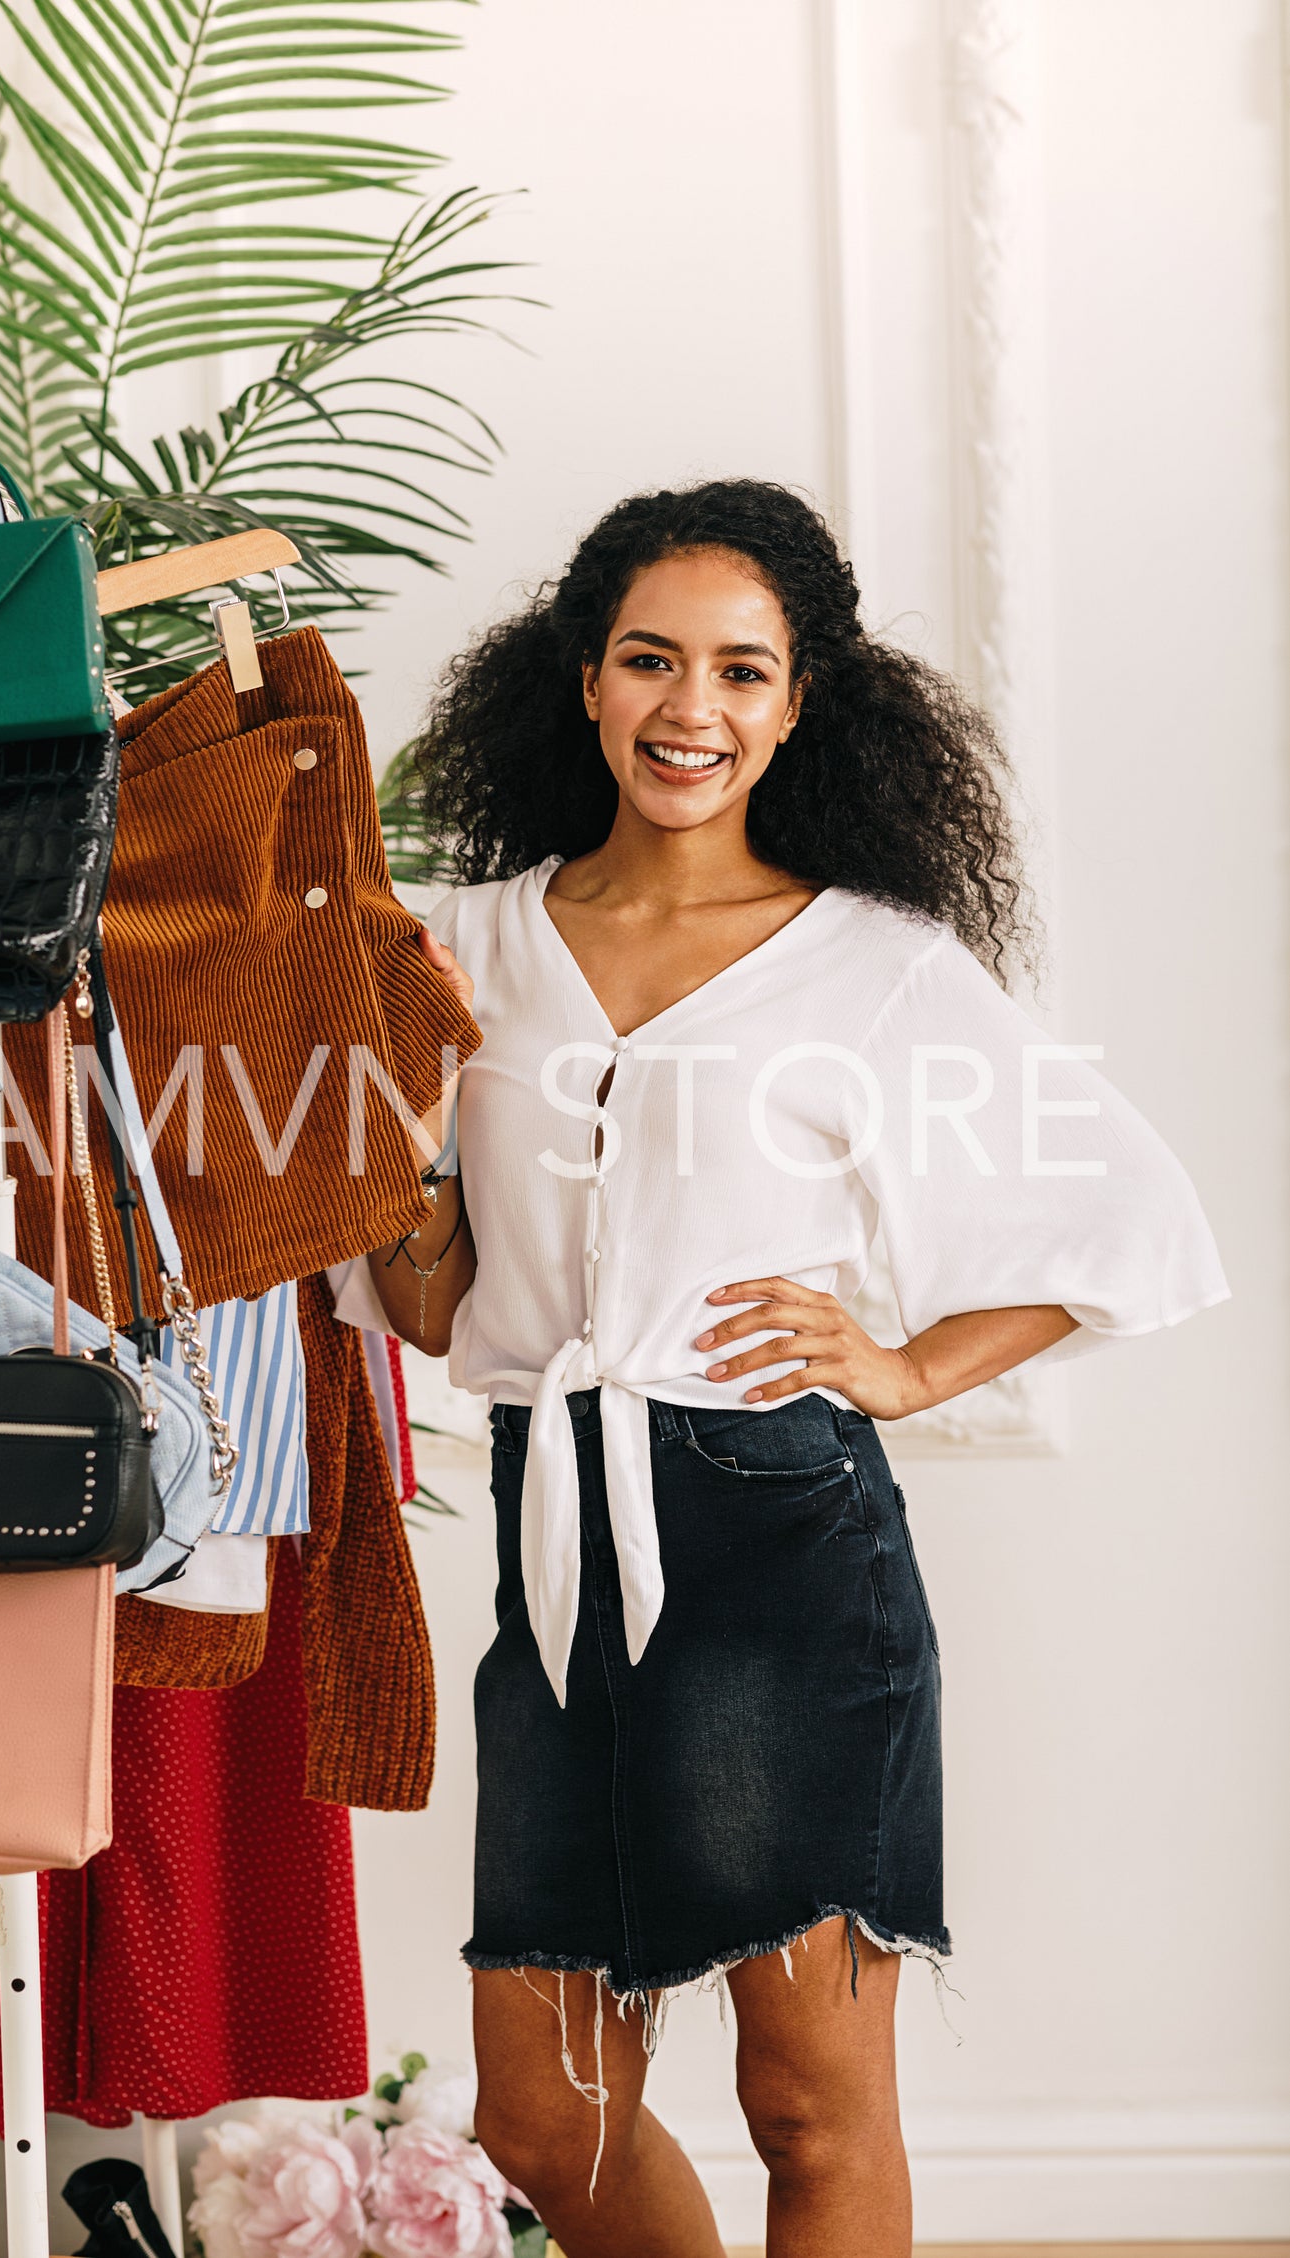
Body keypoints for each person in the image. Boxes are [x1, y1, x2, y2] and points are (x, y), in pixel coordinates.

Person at [336, 479, 1227, 2258]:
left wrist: (901, 1366)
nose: (692, 707)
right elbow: (433, 1307)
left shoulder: (877, 970)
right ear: (580, 680)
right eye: (650, 660)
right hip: (554, 1542)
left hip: (784, 1542)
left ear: (800, 702)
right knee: (543, 2105)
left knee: (804, 2100)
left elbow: (1124, 1207)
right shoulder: (467, 946)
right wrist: (418, 1162)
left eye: (742, 671)